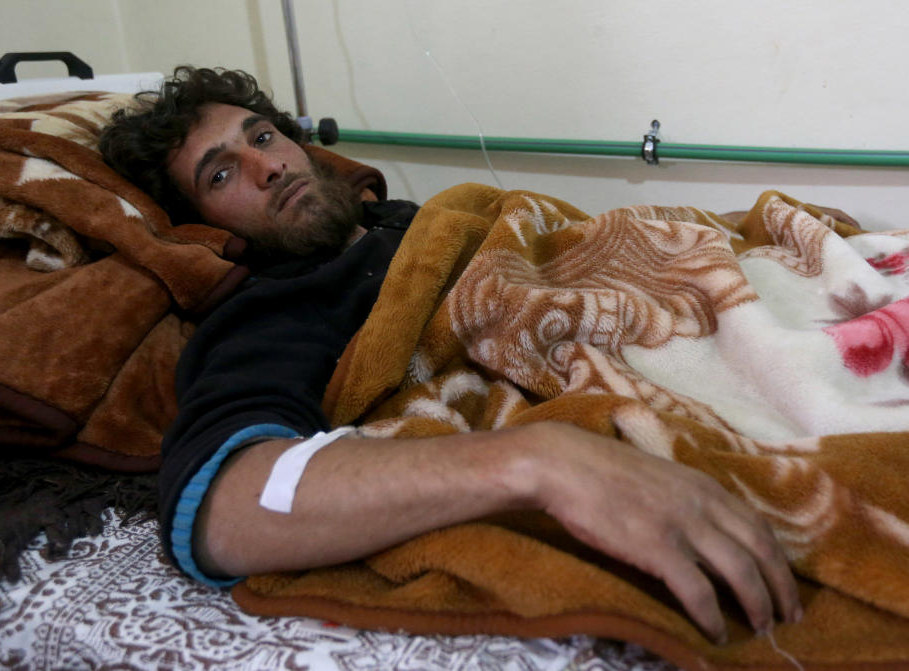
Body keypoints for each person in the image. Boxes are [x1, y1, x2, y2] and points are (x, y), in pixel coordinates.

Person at [99, 66, 801, 645]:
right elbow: (225, 501)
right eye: (221, 174)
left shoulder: (409, 221)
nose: (268, 166)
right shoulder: (276, 306)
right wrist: (540, 460)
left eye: (263, 136)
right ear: (197, 227)